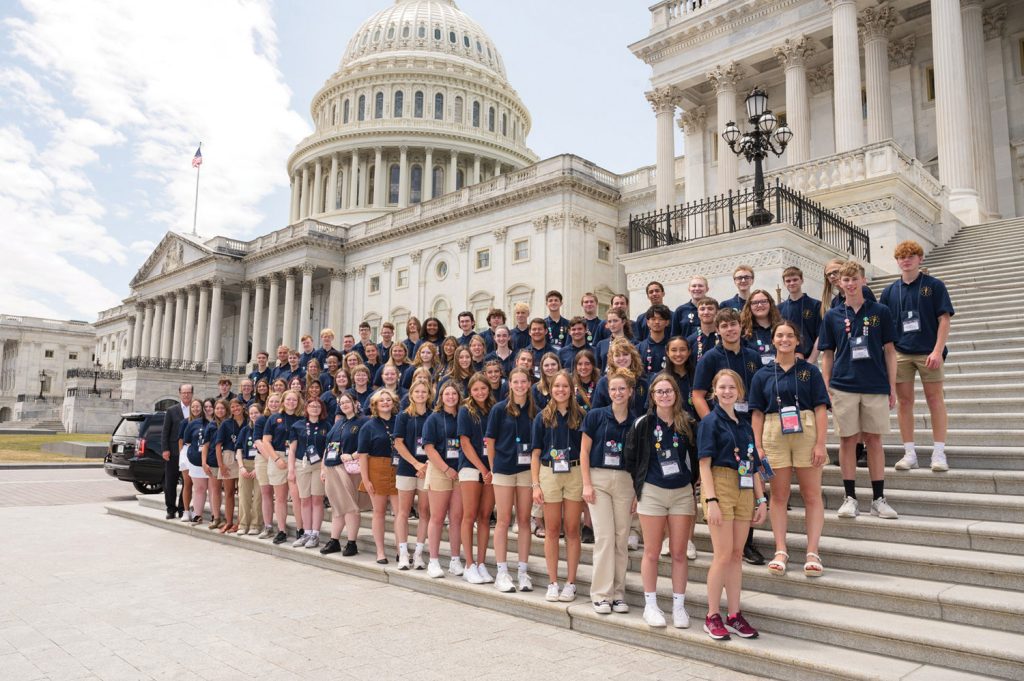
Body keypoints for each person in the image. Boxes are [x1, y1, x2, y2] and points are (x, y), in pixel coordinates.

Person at [818, 260, 899, 520]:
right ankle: (850, 497)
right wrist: (827, 385)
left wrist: (892, 386)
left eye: (855, 279)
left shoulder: (881, 311)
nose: (851, 284)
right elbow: (827, 354)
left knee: (874, 440)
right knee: (848, 440)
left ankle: (878, 498)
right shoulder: (833, 316)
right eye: (846, 280)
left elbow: (890, 351)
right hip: (844, 384)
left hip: (875, 383)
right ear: (840, 284)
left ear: (863, 281)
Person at [750, 321, 830, 577]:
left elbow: (820, 408)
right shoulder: (762, 374)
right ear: (772, 340)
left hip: (805, 429)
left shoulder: (810, 371)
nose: (784, 339)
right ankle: (781, 549)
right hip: (774, 432)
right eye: (779, 335)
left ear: (798, 341)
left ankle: (813, 551)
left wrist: (820, 443)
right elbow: (757, 414)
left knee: (811, 495)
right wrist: (758, 446)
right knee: (779, 496)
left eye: (790, 336)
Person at [692, 307, 765, 566]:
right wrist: (713, 422)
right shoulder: (710, 358)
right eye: (724, 326)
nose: (729, 329)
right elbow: (698, 395)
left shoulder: (753, 356)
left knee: (750, 478)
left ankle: (747, 542)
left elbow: (759, 395)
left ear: (740, 326)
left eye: (733, 324)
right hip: (722, 430)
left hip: (747, 427)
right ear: (718, 330)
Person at [698, 369, 768, 640]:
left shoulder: (745, 424)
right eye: (722, 387)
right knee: (723, 554)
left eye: (732, 387)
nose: (727, 392)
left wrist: (761, 499)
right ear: (714, 391)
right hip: (720, 484)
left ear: (739, 392)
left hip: (745, 489)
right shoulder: (710, 422)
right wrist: (711, 499)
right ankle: (712, 615)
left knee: (737, 554)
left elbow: (752, 465)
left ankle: (734, 615)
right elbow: (704, 464)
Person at [625, 372, 698, 629]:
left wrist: (691, 483)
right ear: (653, 396)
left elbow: (695, 458)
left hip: (681, 493)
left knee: (679, 553)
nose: (664, 395)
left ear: (676, 395)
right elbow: (631, 460)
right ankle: (651, 604)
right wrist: (638, 488)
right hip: (653, 492)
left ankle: (679, 606)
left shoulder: (687, 422)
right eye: (660, 391)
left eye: (669, 391)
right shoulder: (643, 424)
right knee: (652, 552)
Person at [881, 240, 955, 473]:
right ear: (897, 261)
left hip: (928, 352)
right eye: (902, 256)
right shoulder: (890, 290)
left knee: (935, 401)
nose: (906, 260)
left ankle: (939, 452)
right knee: (904, 403)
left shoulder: (933, 285)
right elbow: (884, 327)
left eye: (911, 255)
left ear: (920, 259)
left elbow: (944, 319)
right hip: (902, 353)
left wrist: (937, 350)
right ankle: (909, 452)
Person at [581, 371, 638, 615]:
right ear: (608, 391)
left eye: (622, 389)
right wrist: (586, 484)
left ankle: (618, 593)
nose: (617, 393)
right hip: (599, 479)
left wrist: (637, 491)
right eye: (613, 389)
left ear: (630, 392)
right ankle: (601, 594)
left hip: (625, 481)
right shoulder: (595, 416)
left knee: (621, 537)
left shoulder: (637, 421)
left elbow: (639, 459)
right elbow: (584, 451)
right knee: (604, 537)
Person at [531, 370, 584, 603]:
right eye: (556, 386)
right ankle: (553, 582)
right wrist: (535, 485)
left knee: (572, 530)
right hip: (549, 472)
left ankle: (570, 583)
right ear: (550, 389)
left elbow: (587, 450)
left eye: (565, 386)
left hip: (575, 472)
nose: (560, 390)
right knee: (552, 530)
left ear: (572, 389)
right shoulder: (542, 417)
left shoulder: (582, 415)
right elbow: (534, 453)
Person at [485, 367, 537, 593]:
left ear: (529, 383)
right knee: (504, 520)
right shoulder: (498, 409)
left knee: (524, 521)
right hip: (504, 470)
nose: (519, 385)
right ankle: (502, 571)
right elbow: (490, 442)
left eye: (523, 381)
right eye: (515, 381)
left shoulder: (537, 410)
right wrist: (493, 468)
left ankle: (523, 571)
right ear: (510, 384)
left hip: (526, 471)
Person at [457, 373, 497, 584]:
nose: (480, 392)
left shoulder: (494, 409)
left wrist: (491, 468)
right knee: (469, 515)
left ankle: (481, 563)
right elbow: (465, 444)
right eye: (475, 389)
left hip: (490, 469)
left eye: (483, 388)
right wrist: (483, 468)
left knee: (485, 516)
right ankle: (469, 564)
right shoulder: (465, 410)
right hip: (471, 469)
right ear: (470, 391)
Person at [422, 382, 465, 577]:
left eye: (453, 393)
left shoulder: (464, 416)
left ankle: (455, 560)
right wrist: (446, 468)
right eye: (446, 394)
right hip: (441, 470)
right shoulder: (433, 418)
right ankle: (433, 561)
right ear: (441, 397)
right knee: (437, 517)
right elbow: (428, 448)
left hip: (460, 472)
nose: (450, 397)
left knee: (457, 518)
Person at [358, 389, 401, 563]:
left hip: (398, 469)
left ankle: (401, 550)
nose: (385, 402)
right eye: (381, 400)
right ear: (374, 405)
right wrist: (366, 480)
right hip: (376, 469)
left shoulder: (400, 421)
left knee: (400, 513)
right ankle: (380, 552)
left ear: (393, 402)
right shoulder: (368, 426)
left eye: (388, 399)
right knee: (379, 512)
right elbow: (362, 455)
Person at [393, 380, 432, 569]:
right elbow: (398, 443)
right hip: (407, 468)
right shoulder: (403, 416)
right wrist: (416, 463)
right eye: (417, 391)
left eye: (424, 391)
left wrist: (426, 464)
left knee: (425, 512)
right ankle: (403, 553)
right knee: (403, 511)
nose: (421, 394)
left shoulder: (433, 416)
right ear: (411, 394)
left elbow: (437, 444)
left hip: (427, 469)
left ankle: (418, 553)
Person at [321, 393, 366, 556]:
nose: (344, 405)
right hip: (332, 467)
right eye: (341, 403)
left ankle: (352, 542)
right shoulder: (338, 423)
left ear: (356, 403)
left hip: (349, 469)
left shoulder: (363, 421)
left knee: (350, 507)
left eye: (348, 402)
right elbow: (328, 447)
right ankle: (334, 540)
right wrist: (323, 468)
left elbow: (367, 445)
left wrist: (353, 455)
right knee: (337, 507)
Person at [262, 390, 303, 544]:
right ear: (283, 401)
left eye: (294, 400)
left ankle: (301, 529)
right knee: (280, 498)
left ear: (298, 402)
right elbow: (266, 441)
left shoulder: (302, 419)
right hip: (277, 457)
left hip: (296, 458)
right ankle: (281, 530)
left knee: (297, 497)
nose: (291, 402)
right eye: (288, 400)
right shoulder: (273, 418)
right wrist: (276, 459)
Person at [288, 397, 330, 549]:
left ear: (322, 409)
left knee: (317, 500)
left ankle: (315, 534)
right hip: (302, 464)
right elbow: (292, 449)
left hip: (319, 465)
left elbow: (328, 449)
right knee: (304, 499)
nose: (314, 408)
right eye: (311, 405)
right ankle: (306, 532)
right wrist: (291, 469)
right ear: (306, 408)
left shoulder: (327, 425)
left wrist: (324, 468)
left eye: (318, 406)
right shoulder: (297, 425)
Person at [253, 392, 282, 539]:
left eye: (277, 402)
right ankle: (268, 526)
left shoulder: (284, 418)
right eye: (271, 401)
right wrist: (272, 459)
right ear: (267, 403)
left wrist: (277, 459)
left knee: (280, 494)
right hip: (264, 458)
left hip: (281, 458)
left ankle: (283, 527)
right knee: (266, 493)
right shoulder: (261, 420)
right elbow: (258, 441)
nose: (274, 404)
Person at [161, 383, 192, 519]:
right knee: (170, 482)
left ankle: (182, 507)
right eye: (184, 392)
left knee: (187, 482)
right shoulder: (172, 410)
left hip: (190, 453)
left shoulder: (196, 409)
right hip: (173, 451)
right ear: (180, 393)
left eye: (188, 392)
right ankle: (170, 508)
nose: (186, 395)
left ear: (192, 394)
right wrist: (165, 449)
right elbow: (165, 431)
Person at [777, 267, 822, 361]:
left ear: (802, 280)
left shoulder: (816, 305)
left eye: (795, 279)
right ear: (784, 283)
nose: (792, 283)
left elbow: (820, 335)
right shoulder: (779, 308)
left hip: (809, 359)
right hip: (786, 359)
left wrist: (811, 360)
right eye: (788, 281)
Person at [592, 339, 649, 412]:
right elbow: (596, 412)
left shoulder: (642, 383)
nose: (621, 358)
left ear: (632, 356)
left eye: (625, 354)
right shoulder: (603, 383)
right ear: (612, 359)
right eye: (617, 355)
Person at [214, 399, 243, 533]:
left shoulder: (248, 422)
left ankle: (240, 522)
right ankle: (229, 522)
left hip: (244, 458)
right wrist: (221, 465)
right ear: (230, 409)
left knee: (243, 493)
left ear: (243, 407)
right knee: (229, 493)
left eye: (238, 405)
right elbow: (218, 445)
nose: (236, 408)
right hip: (228, 457)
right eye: (233, 406)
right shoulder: (226, 423)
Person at [234, 402, 264, 535]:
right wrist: (241, 467)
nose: (253, 415)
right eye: (251, 413)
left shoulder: (265, 429)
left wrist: (258, 468)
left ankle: (256, 524)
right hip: (245, 464)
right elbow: (238, 449)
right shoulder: (245, 430)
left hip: (260, 464)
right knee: (244, 496)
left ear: (261, 413)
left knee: (258, 496)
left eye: (256, 413)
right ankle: (243, 524)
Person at [181, 400, 208, 523]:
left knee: (203, 487)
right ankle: (186, 511)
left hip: (205, 457)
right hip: (190, 455)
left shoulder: (208, 422)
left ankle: (197, 510)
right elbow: (182, 441)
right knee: (188, 483)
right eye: (193, 406)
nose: (196, 409)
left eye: (198, 406)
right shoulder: (186, 422)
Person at [741, 290, 782, 367]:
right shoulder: (743, 331)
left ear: (770, 303)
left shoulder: (781, 328)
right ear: (749, 306)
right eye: (755, 302)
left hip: (779, 374)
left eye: (764, 301)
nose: (759, 305)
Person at [201, 399, 225, 529]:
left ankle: (228, 517)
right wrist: (204, 463)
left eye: (222, 408)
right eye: (217, 408)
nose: (219, 411)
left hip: (227, 463)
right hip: (213, 462)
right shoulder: (211, 426)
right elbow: (205, 446)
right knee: (215, 491)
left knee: (229, 491)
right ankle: (216, 517)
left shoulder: (229, 424)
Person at [637, 304, 671, 375]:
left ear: (667, 322)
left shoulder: (672, 347)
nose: (657, 322)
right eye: (653, 319)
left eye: (661, 319)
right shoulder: (639, 348)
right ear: (648, 322)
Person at [686, 297, 721, 362]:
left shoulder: (724, 337)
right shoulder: (690, 340)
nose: (706, 312)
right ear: (698, 313)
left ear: (717, 312)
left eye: (710, 309)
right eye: (702, 309)